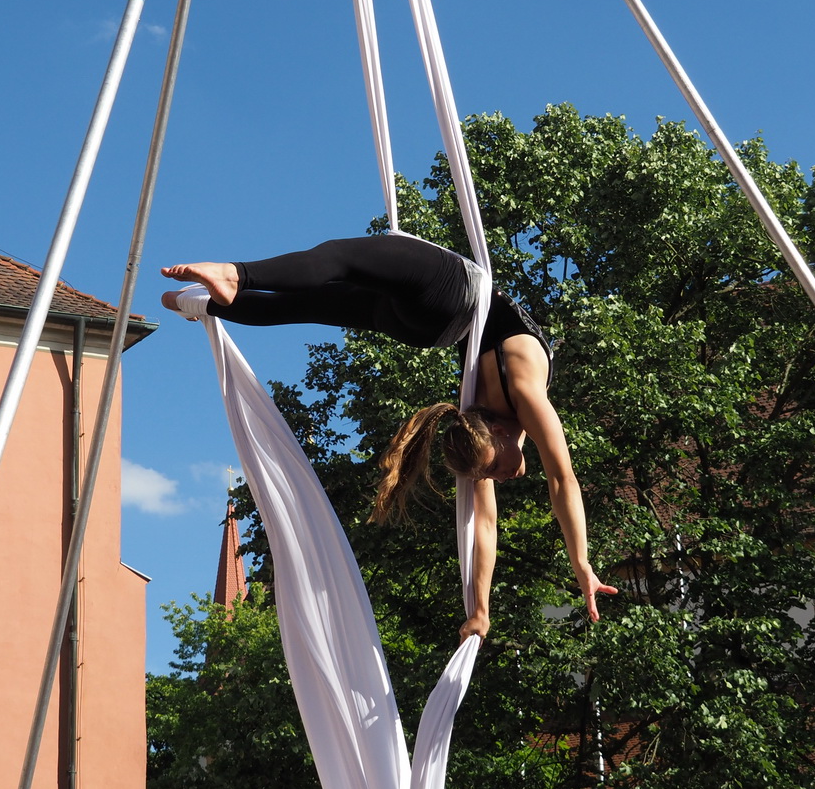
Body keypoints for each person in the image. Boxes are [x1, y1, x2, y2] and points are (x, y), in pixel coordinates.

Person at [161, 234, 614, 642]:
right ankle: (210, 295)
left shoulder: (497, 416)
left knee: (335, 272)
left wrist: (499, 602)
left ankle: (221, 287)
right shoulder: (523, 394)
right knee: (319, 296)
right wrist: (565, 572)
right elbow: (542, 493)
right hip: (436, 316)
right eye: (495, 469)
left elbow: (518, 506)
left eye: (491, 472)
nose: (502, 476)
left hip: (445, 305)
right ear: (496, 431)